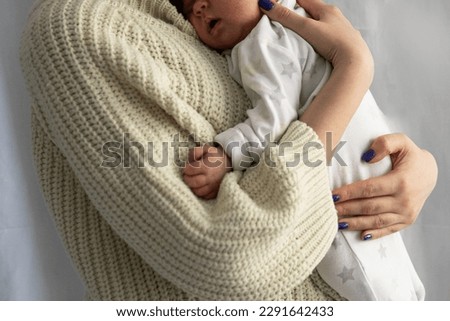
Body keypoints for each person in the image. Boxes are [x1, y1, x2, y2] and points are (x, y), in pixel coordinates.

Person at [20, 0, 437, 300]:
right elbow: (232, 258)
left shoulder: (249, 30)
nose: (197, 8)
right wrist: (354, 69)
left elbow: (317, 115)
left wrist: (414, 171)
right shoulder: (78, 29)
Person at [174, 0, 429, 300]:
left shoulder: (262, 41)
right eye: (188, 9)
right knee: (397, 282)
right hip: (373, 172)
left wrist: (227, 153)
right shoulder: (301, 24)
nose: (199, 9)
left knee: (366, 282)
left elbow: (275, 119)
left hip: (345, 187)